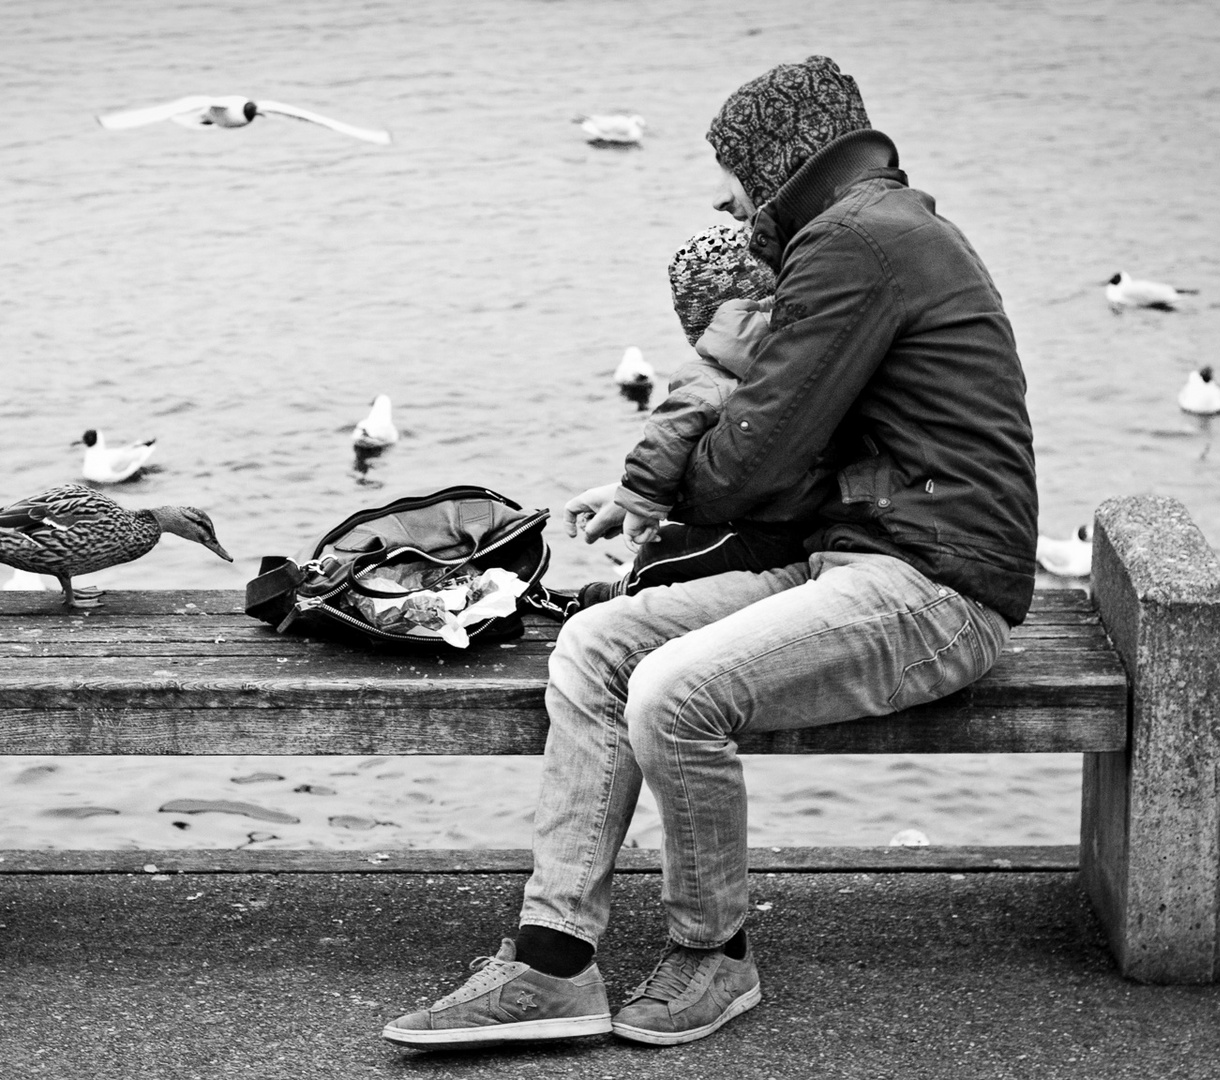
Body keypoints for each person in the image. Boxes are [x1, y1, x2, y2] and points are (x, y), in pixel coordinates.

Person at [383, 56, 1038, 1050]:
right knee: (600, 646)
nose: (726, 198)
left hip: (935, 588)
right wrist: (651, 491)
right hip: (853, 560)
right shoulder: (868, 232)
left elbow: (752, 459)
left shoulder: (856, 241)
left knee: (673, 693)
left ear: (781, 164)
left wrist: (665, 492)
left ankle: (712, 957)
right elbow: (771, 444)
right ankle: (553, 964)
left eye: (733, 172)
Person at [566, 224, 816, 614]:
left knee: (658, 554)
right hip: (807, 526)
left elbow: (665, 436)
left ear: (698, 328)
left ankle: (611, 596)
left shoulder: (705, 380)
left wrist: (639, 499)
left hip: (757, 532)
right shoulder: (809, 362)